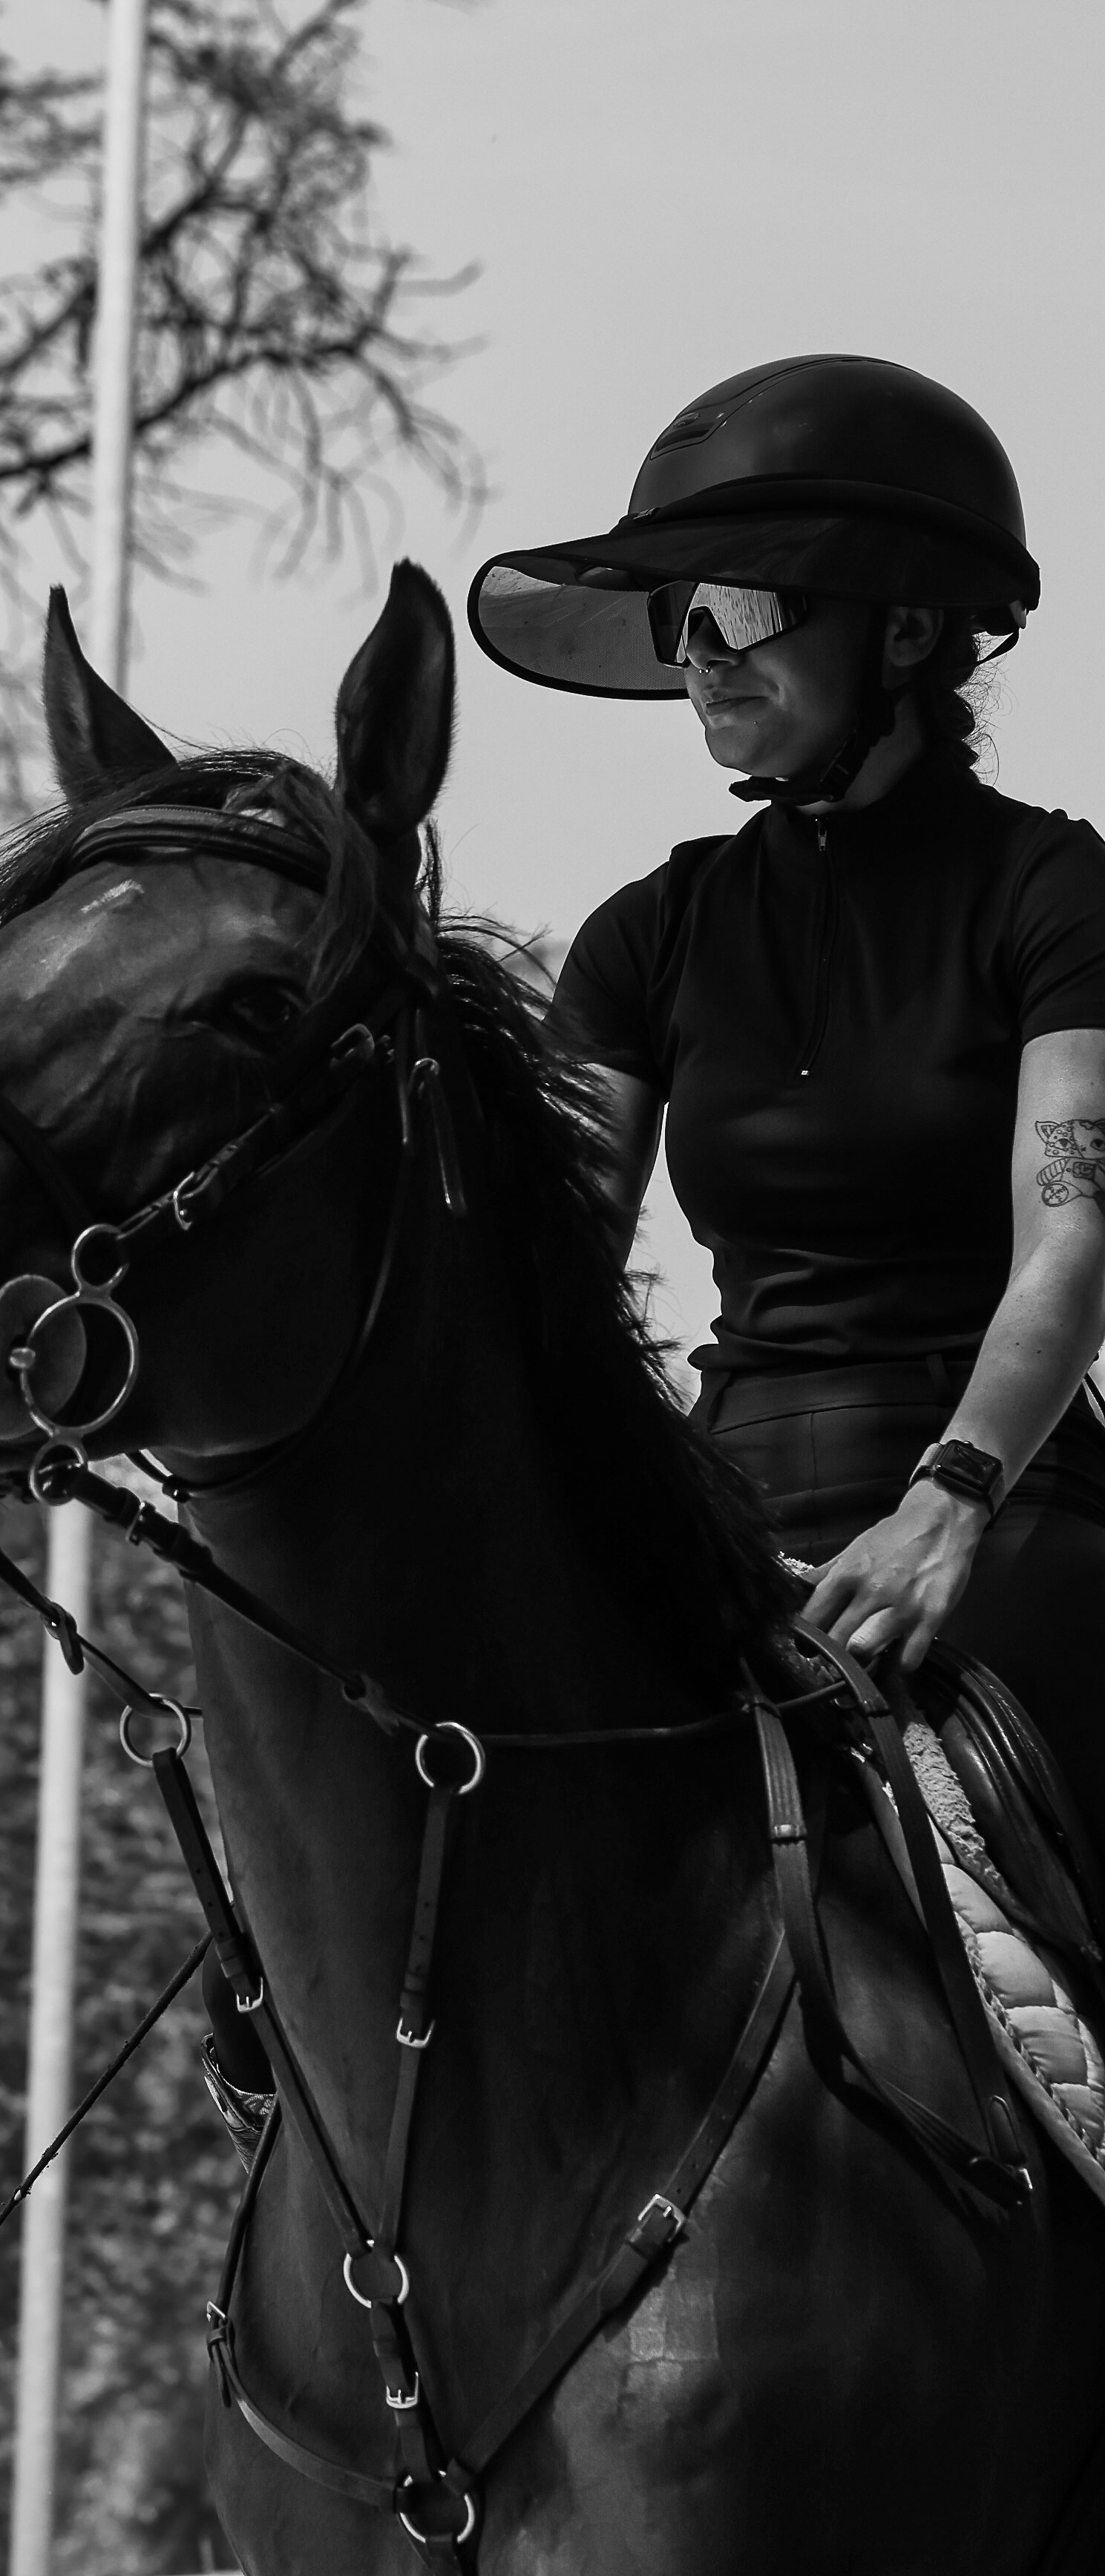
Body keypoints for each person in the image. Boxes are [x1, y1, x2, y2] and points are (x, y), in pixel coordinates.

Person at [468, 354, 1105, 1838]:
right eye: (675, 615)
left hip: (995, 1506)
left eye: (742, 607)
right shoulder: (649, 930)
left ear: (899, 628)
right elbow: (539, 1255)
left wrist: (946, 1501)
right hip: (725, 1504)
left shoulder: (1051, 890)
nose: (696, 652)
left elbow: (1071, 1240)